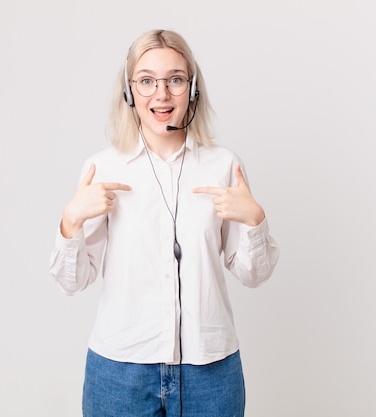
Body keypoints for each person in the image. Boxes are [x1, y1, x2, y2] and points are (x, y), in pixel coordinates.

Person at [50, 29, 279, 417]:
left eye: (175, 79)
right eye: (146, 81)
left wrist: (255, 222)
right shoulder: (101, 168)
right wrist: (70, 221)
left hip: (210, 370)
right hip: (121, 370)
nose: (161, 94)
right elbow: (73, 281)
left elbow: (253, 275)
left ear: (191, 89)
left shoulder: (224, 165)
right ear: (129, 91)